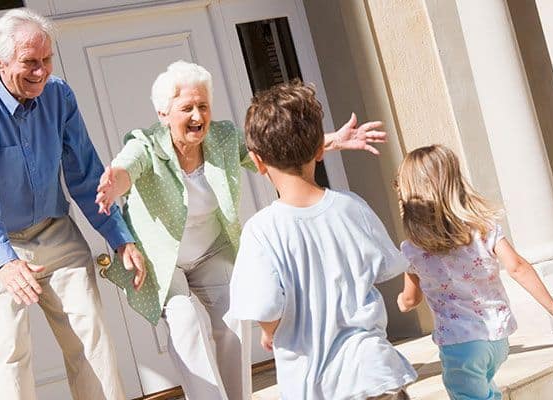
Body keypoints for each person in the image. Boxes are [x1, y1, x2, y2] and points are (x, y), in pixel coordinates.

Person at [94, 61, 389, 399]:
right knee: (185, 318)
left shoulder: (223, 138)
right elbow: (126, 168)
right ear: (163, 114)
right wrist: (114, 184)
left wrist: (332, 140)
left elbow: (276, 150)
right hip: (164, 260)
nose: (198, 116)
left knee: (234, 315)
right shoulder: (146, 145)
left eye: (203, 106)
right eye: (187, 108)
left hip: (210, 251)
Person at [0, 8, 144, 400]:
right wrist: (3, 260)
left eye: (47, 59)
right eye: (29, 62)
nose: (41, 71)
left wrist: (119, 237)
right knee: (11, 349)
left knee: (91, 337)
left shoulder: (58, 95)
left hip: (52, 229)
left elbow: (85, 172)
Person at [226, 81, 417, 400]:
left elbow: (267, 308)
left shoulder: (261, 230)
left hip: (317, 385)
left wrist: (270, 332)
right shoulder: (352, 207)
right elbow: (388, 265)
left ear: (257, 161)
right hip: (375, 371)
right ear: (319, 150)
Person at [394, 144, 553, 400]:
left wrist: (401, 303)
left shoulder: (413, 249)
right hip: (498, 338)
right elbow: (517, 267)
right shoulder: (483, 229)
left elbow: (410, 299)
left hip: (460, 345)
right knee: (486, 392)